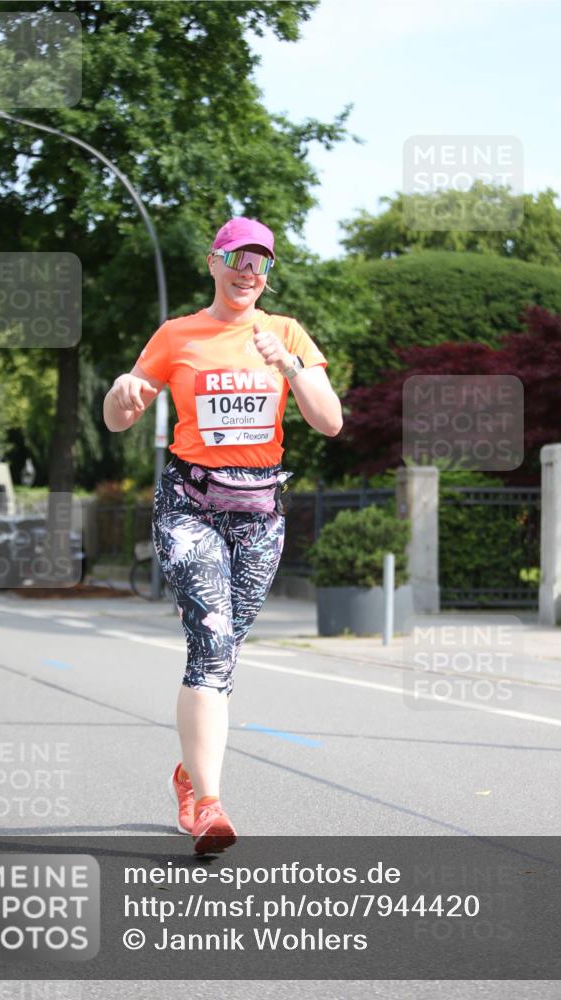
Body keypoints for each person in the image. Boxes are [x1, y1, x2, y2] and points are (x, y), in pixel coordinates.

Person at [103, 217, 343, 854]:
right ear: (213, 262)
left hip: (260, 514)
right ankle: (208, 806)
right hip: (190, 506)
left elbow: (330, 422)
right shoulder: (177, 334)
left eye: (261, 263)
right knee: (210, 639)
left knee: (226, 648)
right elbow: (121, 414)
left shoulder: (286, 333)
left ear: (267, 276)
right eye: (238, 258)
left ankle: (189, 773)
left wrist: (290, 366)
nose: (249, 272)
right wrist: (122, 394)